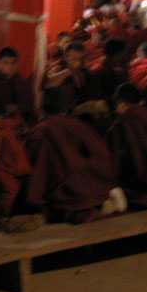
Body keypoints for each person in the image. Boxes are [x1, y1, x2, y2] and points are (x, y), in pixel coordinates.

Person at [24, 88, 121, 223]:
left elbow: (34, 174)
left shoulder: (40, 132)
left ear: (41, 107)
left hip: (65, 197)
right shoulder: (79, 126)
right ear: (66, 107)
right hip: (93, 191)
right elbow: (102, 155)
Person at [0, 47, 33, 122]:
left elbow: (26, 106)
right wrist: (4, 107)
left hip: (13, 121)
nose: (9, 67)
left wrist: (16, 109)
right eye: (5, 63)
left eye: (13, 63)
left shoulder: (18, 80)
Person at [43, 41, 96, 113]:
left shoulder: (84, 71)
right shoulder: (58, 68)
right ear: (66, 57)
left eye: (82, 59)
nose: (79, 63)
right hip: (62, 113)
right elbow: (47, 84)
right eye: (75, 59)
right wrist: (69, 71)